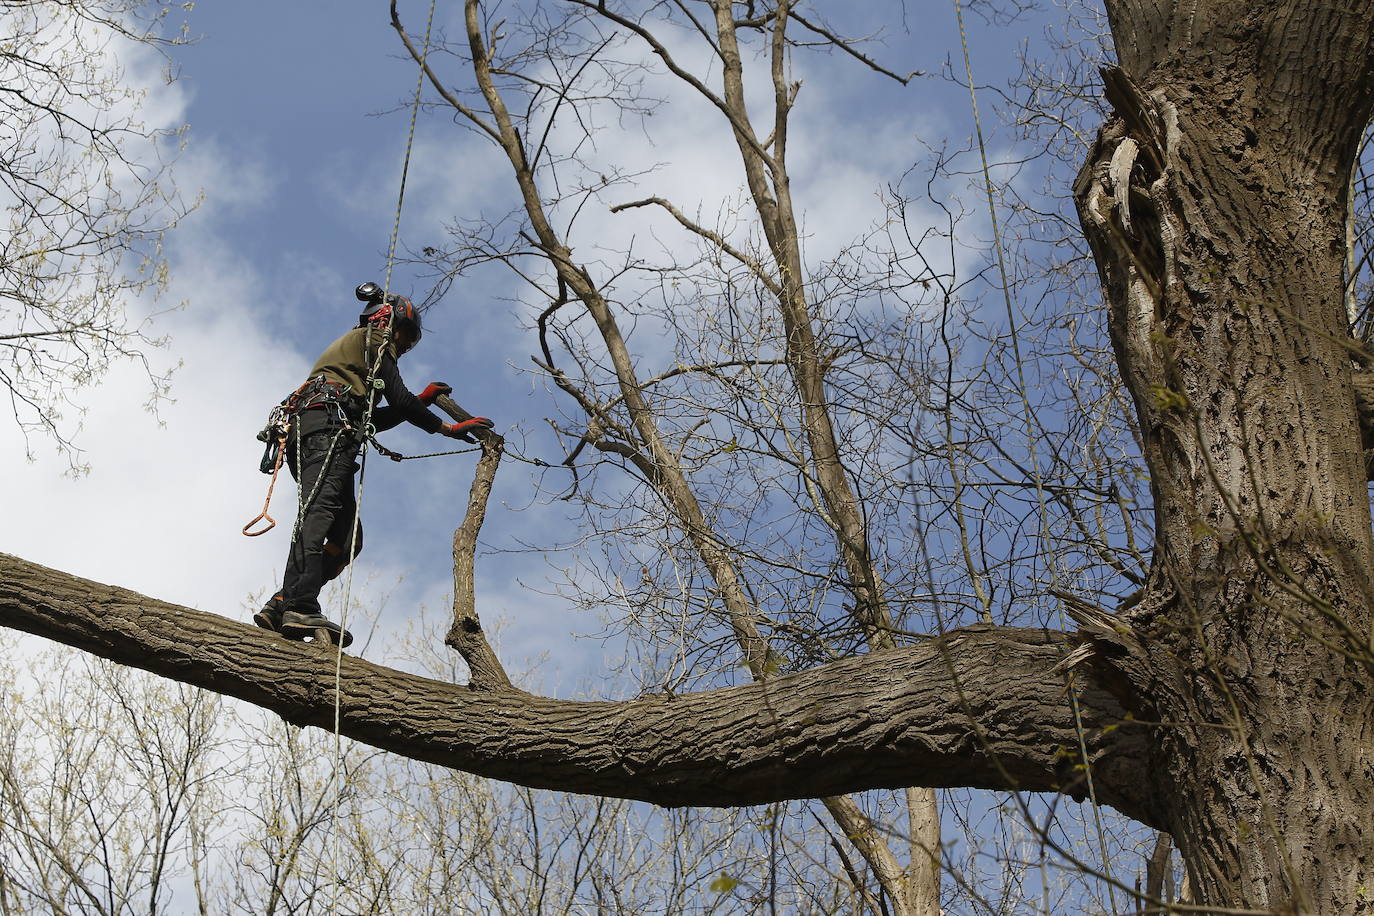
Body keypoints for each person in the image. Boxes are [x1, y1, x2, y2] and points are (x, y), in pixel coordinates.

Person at [255, 284, 493, 646]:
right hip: (325, 431)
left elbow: (372, 418)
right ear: (392, 319)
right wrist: (444, 426)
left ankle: (284, 602)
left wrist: (421, 402)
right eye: (405, 335)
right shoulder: (375, 337)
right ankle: (301, 604)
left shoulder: (360, 356)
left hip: (328, 428)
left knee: (347, 539)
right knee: (319, 513)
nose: (403, 344)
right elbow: (398, 396)